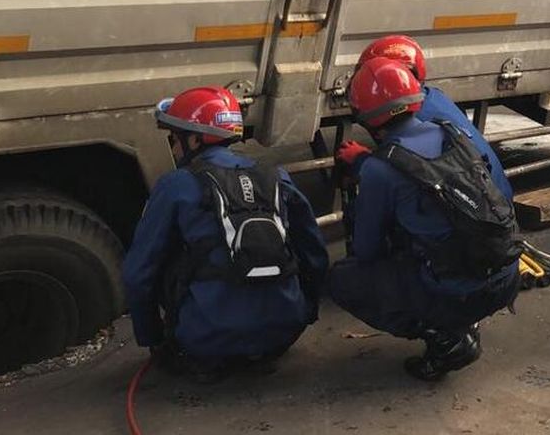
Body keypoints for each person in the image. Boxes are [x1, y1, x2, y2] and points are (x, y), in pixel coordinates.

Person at [328, 57, 521, 381]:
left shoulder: (380, 169)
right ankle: (463, 317)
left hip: (460, 293)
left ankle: (446, 338)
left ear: (364, 114)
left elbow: (366, 250)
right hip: (505, 274)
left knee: (345, 279)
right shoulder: (450, 133)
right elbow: (424, 173)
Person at [122, 87, 329, 382]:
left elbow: (137, 274)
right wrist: (305, 312)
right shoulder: (276, 175)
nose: (173, 148)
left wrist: (154, 338)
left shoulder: (177, 184)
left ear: (194, 139)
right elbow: (315, 253)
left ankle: (209, 347)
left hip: (203, 341)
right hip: (284, 332)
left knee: (164, 256)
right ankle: (262, 338)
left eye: (174, 139)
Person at [355, 34, 513, 200]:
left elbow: (401, 172)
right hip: (497, 205)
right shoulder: (433, 97)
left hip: (478, 215)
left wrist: (362, 161)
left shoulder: (414, 119)